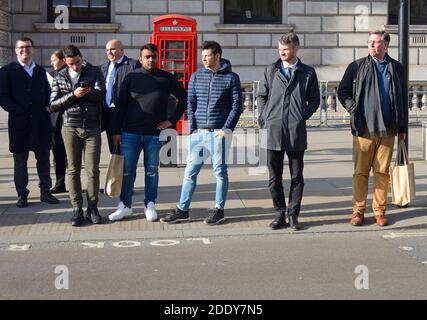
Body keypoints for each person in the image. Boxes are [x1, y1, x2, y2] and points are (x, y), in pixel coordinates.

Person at [160, 41, 243, 225]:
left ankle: (218, 210)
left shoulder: (231, 78)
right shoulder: (197, 76)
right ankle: (183, 210)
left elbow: (237, 106)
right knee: (190, 172)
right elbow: (190, 103)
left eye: (207, 56)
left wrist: (226, 128)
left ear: (217, 56)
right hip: (199, 134)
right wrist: (192, 129)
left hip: (218, 133)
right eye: (203, 56)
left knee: (220, 172)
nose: (204, 59)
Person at [108, 43, 187, 222]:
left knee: (152, 171)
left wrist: (172, 120)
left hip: (154, 134)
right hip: (130, 133)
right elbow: (120, 106)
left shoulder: (166, 78)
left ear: (158, 58)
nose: (151, 60)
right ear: (141, 58)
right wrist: (116, 131)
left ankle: (149, 204)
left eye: (153, 56)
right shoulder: (131, 77)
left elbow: (183, 98)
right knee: (128, 171)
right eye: (147, 57)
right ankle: (125, 205)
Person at [337, 30, 407, 227]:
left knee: (382, 172)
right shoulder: (357, 66)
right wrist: (353, 108)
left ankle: (379, 211)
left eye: (376, 42)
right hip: (364, 129)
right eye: (370, 42)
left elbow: (402, 99)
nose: (372, 45)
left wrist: (402, 127)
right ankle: (358, 211)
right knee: (360, 172)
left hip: (388, 129)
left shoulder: (397, 68)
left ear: (386, 45)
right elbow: (342, 91)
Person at [257, 33, 320, 231]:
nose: (282, 53)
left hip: (295, 131)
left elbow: (315, 100)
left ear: (295, 49)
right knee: (274, 177)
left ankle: (293, 215)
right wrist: (264, 116)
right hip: (273, 130)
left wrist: (301, 116)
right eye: (280, 49)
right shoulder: (271, 70)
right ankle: (279, 213)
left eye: (285, 49)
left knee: (296, 176)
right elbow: (262, 95)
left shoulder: (308, 73)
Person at [49, 45, 105, 227]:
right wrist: (73, 95)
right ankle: (77, 209)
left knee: (93, 170)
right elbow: (53, 104)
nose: (75, 67)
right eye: (71, 64)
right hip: (70, 126)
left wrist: (86, 92)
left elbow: (101, 95)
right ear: (65, 62)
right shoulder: (59, 76)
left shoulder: (94, 71)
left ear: (82, 58)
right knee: (73, 169)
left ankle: (93, 208)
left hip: (92, 126)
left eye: (78, 62)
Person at [0, 37, 59, 208]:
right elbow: (3, 96)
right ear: (16, 50)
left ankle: (45, 191)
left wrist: (50, 106)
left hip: (41, 123)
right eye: (21, 47)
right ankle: (22, 194)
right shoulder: (7, 71)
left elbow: (49, 92)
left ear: (32, 50)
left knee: (44, 159)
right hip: (19, 124)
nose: (24, 50)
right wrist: (17, 110)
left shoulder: (40, 71)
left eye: (27, 47)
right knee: (20, 160)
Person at [101, 39, 140, 154]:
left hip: (125, 114)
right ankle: (118, 171)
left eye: (112, 49)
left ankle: (125, 172)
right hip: (107, 113)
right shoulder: (103, 67)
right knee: (114, 150)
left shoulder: (133, 65)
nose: (109, 52)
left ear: (122, 50)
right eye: (107, 50)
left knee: (125, 151)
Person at [48, 50, 68, 194]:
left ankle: (67, 183)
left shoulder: (69, 74)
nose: (52, 63)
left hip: (68, 119)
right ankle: (60, 183)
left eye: (54, 60)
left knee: (71, 155)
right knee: (58, 153)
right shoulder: (51, 74)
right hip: (55, 120)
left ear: (63, 60)